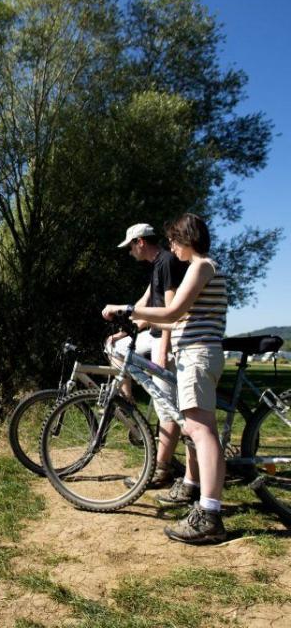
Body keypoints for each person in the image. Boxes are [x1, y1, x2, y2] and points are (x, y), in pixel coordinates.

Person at [102, 213, 228, 544]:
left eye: (174, 240)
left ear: (187, 239)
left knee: (201, 432)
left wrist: (127, 308)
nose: (171, 246)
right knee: (204, 431)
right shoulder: (202, 268)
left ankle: (210, 515)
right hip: (197, 354)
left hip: (198, 356)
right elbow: (177, 320)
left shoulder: (201, 266)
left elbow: (171, 314)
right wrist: (135, 320)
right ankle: (202, 500)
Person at [108, 223, 188, 488]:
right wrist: (124, 331)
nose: (129, 252)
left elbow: (169, 310)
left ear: (140, 242)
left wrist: (164, 349)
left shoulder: (166, 262)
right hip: (152, 334)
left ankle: (162, 469)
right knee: (113, 347)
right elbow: (144, 306)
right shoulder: (155, 266)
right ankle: (128, 401)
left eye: (130, 246)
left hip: (166, 337)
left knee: (166, 405)